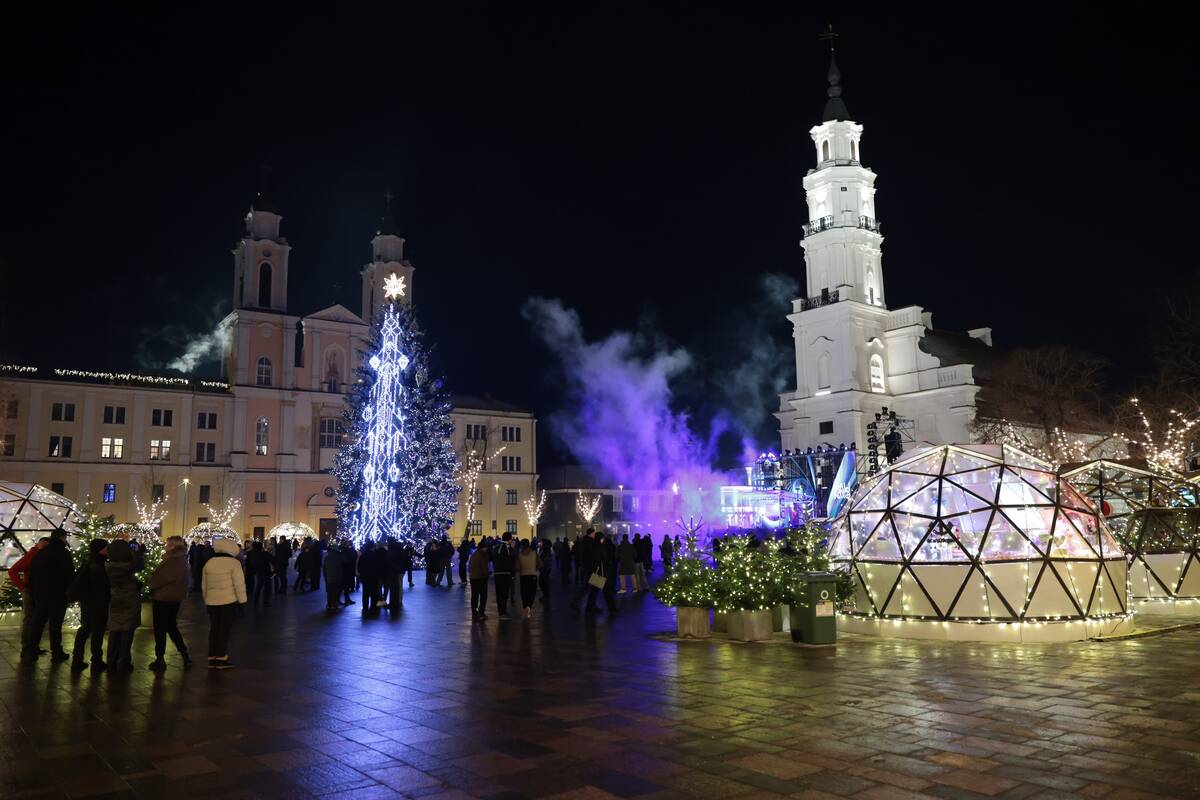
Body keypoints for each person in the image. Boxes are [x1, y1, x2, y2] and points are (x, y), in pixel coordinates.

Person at [24, 532, 75, 663]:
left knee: (37, 623)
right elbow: (69, 574)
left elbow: (33, 573)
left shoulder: (40, 553)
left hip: (40, 594)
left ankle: (31, 649)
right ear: (62, 538)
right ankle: (56, 652)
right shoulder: (63, 554)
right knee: (55, 625)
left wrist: (34, 592)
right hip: (58, 594)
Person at [147, 536, 192, 670]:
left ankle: (160, 658)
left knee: (160, 628)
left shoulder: (172, 560)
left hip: (164, 597)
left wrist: (150, 584)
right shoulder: (182, 559)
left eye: (167, 544)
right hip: (175, 597)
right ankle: (185, 654)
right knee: (171, 626)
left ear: (172, 545)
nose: (165, 546)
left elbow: (161, 578)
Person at [202, 536, 247, 669]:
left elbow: (204, 585)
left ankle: (212, 657)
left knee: (214, 628)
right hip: (228, 601)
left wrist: (206, 598)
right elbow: (239, 584)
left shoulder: (209, 563)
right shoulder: (234, 563)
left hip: (212, 601)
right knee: (224, 629)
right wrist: (242, 600)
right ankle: (221, 657)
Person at [69, 537, 110, 674]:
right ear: (101, 549)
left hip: (87, 602)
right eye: (106, 547)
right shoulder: (98, 564)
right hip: (97, 602)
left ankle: (77, 659)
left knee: (85, 629)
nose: (108, 550)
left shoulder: (88, 561)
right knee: (97, 632)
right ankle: (96, 661)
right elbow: (102, 586)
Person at [104, 539, 142, 673]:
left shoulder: (107, 567)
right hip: (129, 599)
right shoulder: (128, 566)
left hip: (114, 600)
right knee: (127, 631)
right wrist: (136, 552)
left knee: (114, 631)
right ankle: (123, 663)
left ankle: (110, 662)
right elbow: (140, 565)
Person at [10, 538, 48, 658]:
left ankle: (32, 646)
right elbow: (13, 570)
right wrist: (23, 587)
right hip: (30, 591)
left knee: (33, 619)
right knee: (29, 618)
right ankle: (27, 647)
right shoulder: (33, 555)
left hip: (36, 591)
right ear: (40, 544)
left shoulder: (38, 555)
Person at [570, 528, 597, 612]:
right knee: (591, 587)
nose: (595, 535)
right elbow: (591, 555)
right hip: (592, 568)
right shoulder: (590, 542)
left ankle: (591, 605)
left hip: (588, 567)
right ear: (591, 533)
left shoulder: (584, 541)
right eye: (594, 533)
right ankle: (585, 604)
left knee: (592, 587)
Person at [491, 533, 515, 620]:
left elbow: (492, 558)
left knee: (499, 593)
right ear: (509, 539)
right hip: (506, 573)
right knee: (504, 593)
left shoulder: (496, 547)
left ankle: (501, 611)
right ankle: (503, 613)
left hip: (497, 573)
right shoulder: (508, 549)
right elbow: (512, 560)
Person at [515, 540, 540, 619]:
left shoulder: (519, 555)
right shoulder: (534, 553)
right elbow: (541, 564)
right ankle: (529, 607)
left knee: (524, 593)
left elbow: (517, 567)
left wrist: (520, 569)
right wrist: (536, 569)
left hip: (523, 576)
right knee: (532, 593)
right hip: (533, 576)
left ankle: (525, 608)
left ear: (522, 545)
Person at [247, 540, 274, 608]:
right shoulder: (264, 553)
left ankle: (255, 603)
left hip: (258, 573)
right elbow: (272, 559)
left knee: (258, 588)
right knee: (267, 588)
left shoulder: (251, 554)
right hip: (266, 573)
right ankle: (265, 602)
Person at [359, 541, 384, 616]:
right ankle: (373, 606)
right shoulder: (375, 555)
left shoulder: (363, 555)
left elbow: (360, 566)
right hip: (374, 576)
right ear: (372, 547)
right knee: (373, 592)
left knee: (365, 592)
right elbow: (379, 566)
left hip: (365, 577)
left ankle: (365, 606)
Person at [467, 542, 491, 621]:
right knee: (483, 596)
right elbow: (484, 568)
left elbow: (469, 567)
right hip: (481, 578)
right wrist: (488, 573)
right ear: (483, 548)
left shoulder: (474, 555)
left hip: (473, 578)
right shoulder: (483, 555)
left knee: (474, 595)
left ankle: (474, 611)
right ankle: (481, 612)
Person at [599, 532, 619, 614]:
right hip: (604, 572)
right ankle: (612, 607)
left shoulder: (600, 547)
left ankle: (612, 607)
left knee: (593, 590)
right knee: (606, 590)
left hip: (600, 571)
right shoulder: (608, 547)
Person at [323, 541, 343, 611]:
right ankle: (334, 604)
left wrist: (325, 576)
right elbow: (340, 568)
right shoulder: (338, 557)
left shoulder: (327, 557)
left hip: (329, 577)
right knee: (335, 591)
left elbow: (324, 568)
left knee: (329, 592)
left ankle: (329, 604)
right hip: (336, 577)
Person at [385, 539, 404, 613]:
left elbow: (388, 560)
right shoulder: (398, 550)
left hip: (392, 571)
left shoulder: (391, 551)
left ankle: (393, 603)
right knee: (396, 587)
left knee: (393, 588)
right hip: (396, 571)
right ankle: (396, 602)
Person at [537, 538, 553, 603]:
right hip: (545, 568)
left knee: (543, 582)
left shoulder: (545, 550)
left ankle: (546, 596)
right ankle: (545, 596)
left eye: (541, 542)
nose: (540, 543)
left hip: (545, 568)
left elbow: (545, 559)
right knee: (543, 582)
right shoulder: (545, 549)